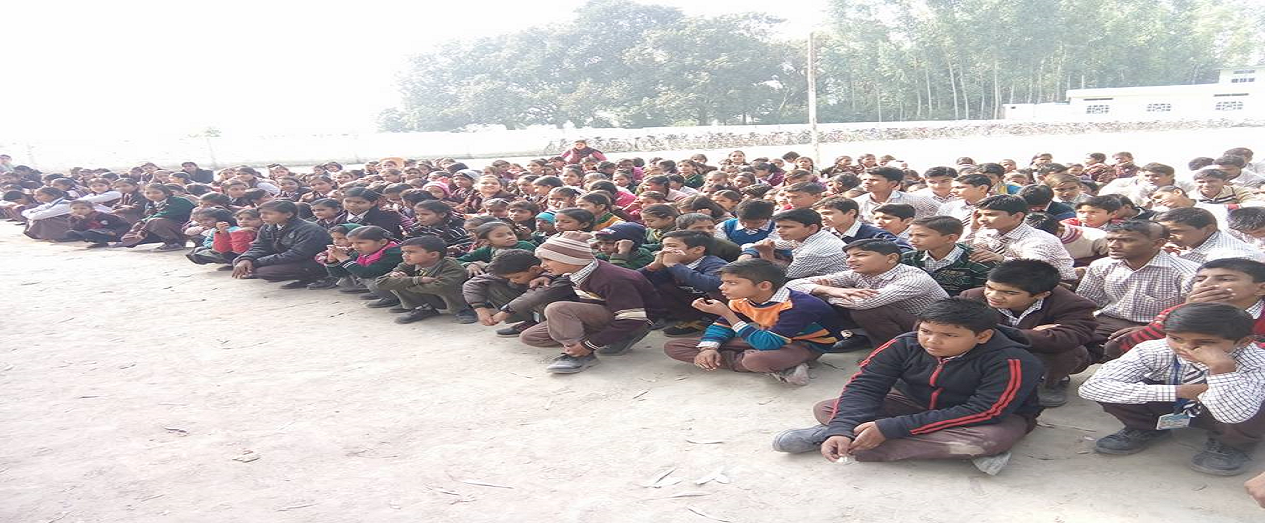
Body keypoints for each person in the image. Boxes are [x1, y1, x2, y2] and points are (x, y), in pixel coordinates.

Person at [771, 299, 1044, 474]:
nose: (932, 341)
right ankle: (843, 434)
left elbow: (986, 410)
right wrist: (843, 426)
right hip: (912, 402)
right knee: (827, 408)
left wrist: (890, 428)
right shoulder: (905, 343)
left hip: (985, 418)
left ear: (982, 336)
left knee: (985, 441)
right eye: (926, 331)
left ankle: (853, 441)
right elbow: (866, 385)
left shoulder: (1013, 360)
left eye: (949, 335)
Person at [1079, 303, 1265, 476]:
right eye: (1176, 338)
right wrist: (1180, 391)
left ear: (1244, 341)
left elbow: (1235, 415)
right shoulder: (1155, 350)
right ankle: (1146, 426)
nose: (1186, 347)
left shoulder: (1257, 362)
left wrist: (1222, 369)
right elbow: (1092, 387)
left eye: (1206, 342)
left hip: (1229, 414)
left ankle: (1232, 443)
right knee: (1116, 390)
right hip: (1176, 402)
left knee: (1250, 403)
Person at [662, 257, 841, 386]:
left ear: (764, 285)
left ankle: (768, 362)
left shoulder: (797, 306)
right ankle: (778, 366)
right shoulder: (742, 300)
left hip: (805, 346)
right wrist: (709, 348)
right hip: (765, 338)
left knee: (756, 360)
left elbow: (768, 344)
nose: (722, 287)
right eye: (724, 282)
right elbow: (723, 325)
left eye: (732, 283)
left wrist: (727, 313)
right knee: (674, 347)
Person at [519, 231, 665, 374]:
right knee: (531, 337)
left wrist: (588, 345)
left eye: (548, 260)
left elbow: (633, 318)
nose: (543, 266)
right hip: (605, 314)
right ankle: (600, 339)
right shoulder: (577, 271)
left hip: (637, 321)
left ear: (571, 258)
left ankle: (579, 355)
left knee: (557, 308)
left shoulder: (611, 278)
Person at [960, 260, 1101, 407]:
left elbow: (1070, 336)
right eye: (989, 287)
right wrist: (1029, 334)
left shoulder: (1073, 304)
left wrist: (992, 333)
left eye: (1009, 293)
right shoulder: (971, 297)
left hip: (1040, 354)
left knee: (1065, 348)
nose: (993, 295)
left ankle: (1048, 382)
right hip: (994, 352)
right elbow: (951, 326)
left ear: (1041, 294)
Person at [789, 239, 948, 352]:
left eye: (860, 255)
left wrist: (825, 292)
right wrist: (830, 290)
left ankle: (894, 351)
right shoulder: (858, 273)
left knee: (868, 311)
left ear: (891, 258)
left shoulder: (913, 278)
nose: (851, 261)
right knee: (813, 297)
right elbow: (792, 285)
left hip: (931, 326)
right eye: (848, 256)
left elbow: (862, 303)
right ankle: (861, 337)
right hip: (895, 317)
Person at [1106, 259, 1265, 358]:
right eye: (1200, 279)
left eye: (1224, 279)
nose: (1206, 284)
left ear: (1261, 288)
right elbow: (1131, 347)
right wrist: (1187, 312)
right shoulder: (1178, 311)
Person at [1077, 220, 1198, 343]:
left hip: (1161, 327)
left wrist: (1153, 329)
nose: (1113, 245)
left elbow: (1194, 312)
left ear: (1157, 243)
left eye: (1126, 240)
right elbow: (1087, 302)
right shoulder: (1101, 265)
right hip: (1108, 321)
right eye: (1110, 239)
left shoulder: (1188, 273)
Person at [463, 249, 573, 337]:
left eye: (516, 277)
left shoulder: (559, 274)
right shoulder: (514, 272)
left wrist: (506, 311)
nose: (513, 280)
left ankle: (547, 325)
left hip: (561, 313)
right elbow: (472, 283)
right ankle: (532, 321)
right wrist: (480, 308)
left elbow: (537, 295)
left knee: (537, 300)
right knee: (491, 285)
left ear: (535, 269)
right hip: (534, 305)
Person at [639, 230, 727, 337]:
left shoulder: (714, 263)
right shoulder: (669, 263)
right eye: (664, 246)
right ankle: (695, 320)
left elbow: (711, 285)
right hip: (693, 302)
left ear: (698, 249)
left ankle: (722, 321)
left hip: (719, 305)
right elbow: (634, 280)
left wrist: (673, 264)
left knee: (716, 290)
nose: (665, 251)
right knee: (656, 284)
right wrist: (653, 266)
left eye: (672, 246)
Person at [970, 195, 1077, 281]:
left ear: (1017, 216)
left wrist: (1001, 258)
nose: (982, 219)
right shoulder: (987, 231)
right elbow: (969, 251)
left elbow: (1032, 268)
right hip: (1008, 280)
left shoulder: (1038, 239)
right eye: (979, 215)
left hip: (1053, 285)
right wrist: (973, 228)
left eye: (990, 215)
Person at [231, 200, 333, 287]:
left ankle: (314, 276)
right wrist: (246, 259)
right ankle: (249, 268)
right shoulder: (268, 227)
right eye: (261, 214)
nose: (263, 217)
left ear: (288, 214)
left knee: (264, 271)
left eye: (269, 214)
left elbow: (296, 254)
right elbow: (260, 246)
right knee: (239, 261)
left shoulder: (309, 229)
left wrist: (257, 262)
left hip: (313, 262)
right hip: (288, 258)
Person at [374, 235, 472, 324]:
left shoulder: (450, 265)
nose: (404, 255)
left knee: (449, 287)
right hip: (431, 295)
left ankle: (463, 310)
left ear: (433, 254)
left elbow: (441, 287)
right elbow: (381, 282)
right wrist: (417, 280)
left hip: (457, 298)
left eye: (411, 252)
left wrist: (405, 282)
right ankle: (424, 309)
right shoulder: (409, 264)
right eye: (403, 252)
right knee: (396, 282)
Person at [741, 208, 849, 279]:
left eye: (787, 227)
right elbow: (763, 244)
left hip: (837, 288)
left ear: (812, 228)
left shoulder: (815, 250)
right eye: (778, 226)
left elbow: (781, 278)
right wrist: (748, 254)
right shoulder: (802, 236)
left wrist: (766, 254)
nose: (779, 231)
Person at [901, 216, 995, 296]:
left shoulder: (978, 261)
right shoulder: (907, 258)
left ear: (950, 238)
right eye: (910, 235)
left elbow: (982, 296)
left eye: (921, 236)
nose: (912, 240)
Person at [1157, 207, 1265, 264]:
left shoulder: (1235, 257)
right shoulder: (1189, 243)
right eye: (1164, 231)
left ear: (1208, 229)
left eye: (1175, 231)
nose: (1168, 236)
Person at [116, 183, 196, 250]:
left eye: (156, 192)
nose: (151, 195)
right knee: (129, 239)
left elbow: (164, 214)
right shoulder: (150, 204)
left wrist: (143, 223)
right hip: (161, 227)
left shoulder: (179, 201)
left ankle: (174, 243)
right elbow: (149, 216)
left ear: (166, 193)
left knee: (155, 221)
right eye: (147, 193)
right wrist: (140, 225)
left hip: (185, 227)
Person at [810, 196, 907, 248]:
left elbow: (905, 252)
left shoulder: (877, 235)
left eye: (828, 213)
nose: (822, 218)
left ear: (851, 213)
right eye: (819, 214)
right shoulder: (821, 234)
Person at [852, 167, 941, 222]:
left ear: (892, 184)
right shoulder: (857, 203)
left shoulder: (917, 200)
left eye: (873, 180)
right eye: (864, 180)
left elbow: (944, 212)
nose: (866, 182)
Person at [63, 199, 132, 248]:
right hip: (93, 232)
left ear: (92, 209)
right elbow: (77, 229)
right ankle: (100, 242)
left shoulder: (103, 216)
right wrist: (82, 220)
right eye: (74, 208)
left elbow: (126, 225)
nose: (78, 210)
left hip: (112, 233)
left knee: (90, 232)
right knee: (71, 233)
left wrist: (116, 232)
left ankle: (105, 241)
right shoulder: (73, 218)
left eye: (83, 208)